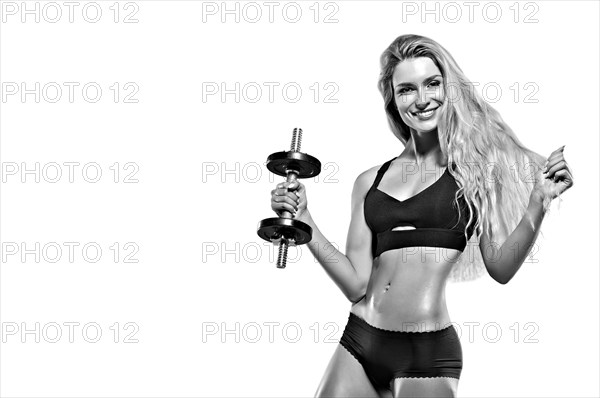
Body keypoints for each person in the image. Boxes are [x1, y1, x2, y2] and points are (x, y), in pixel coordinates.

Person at [270, 34, 574, 398]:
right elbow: (356, 285)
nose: (422, 99)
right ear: (393, 101)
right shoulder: (369, 181)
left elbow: (501, 268)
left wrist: (538, 201)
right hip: (358, 340)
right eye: (407, 89)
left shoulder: (474, 174)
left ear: (450, 90)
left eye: (432, 84)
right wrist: (304, 219)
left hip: (425, 354)